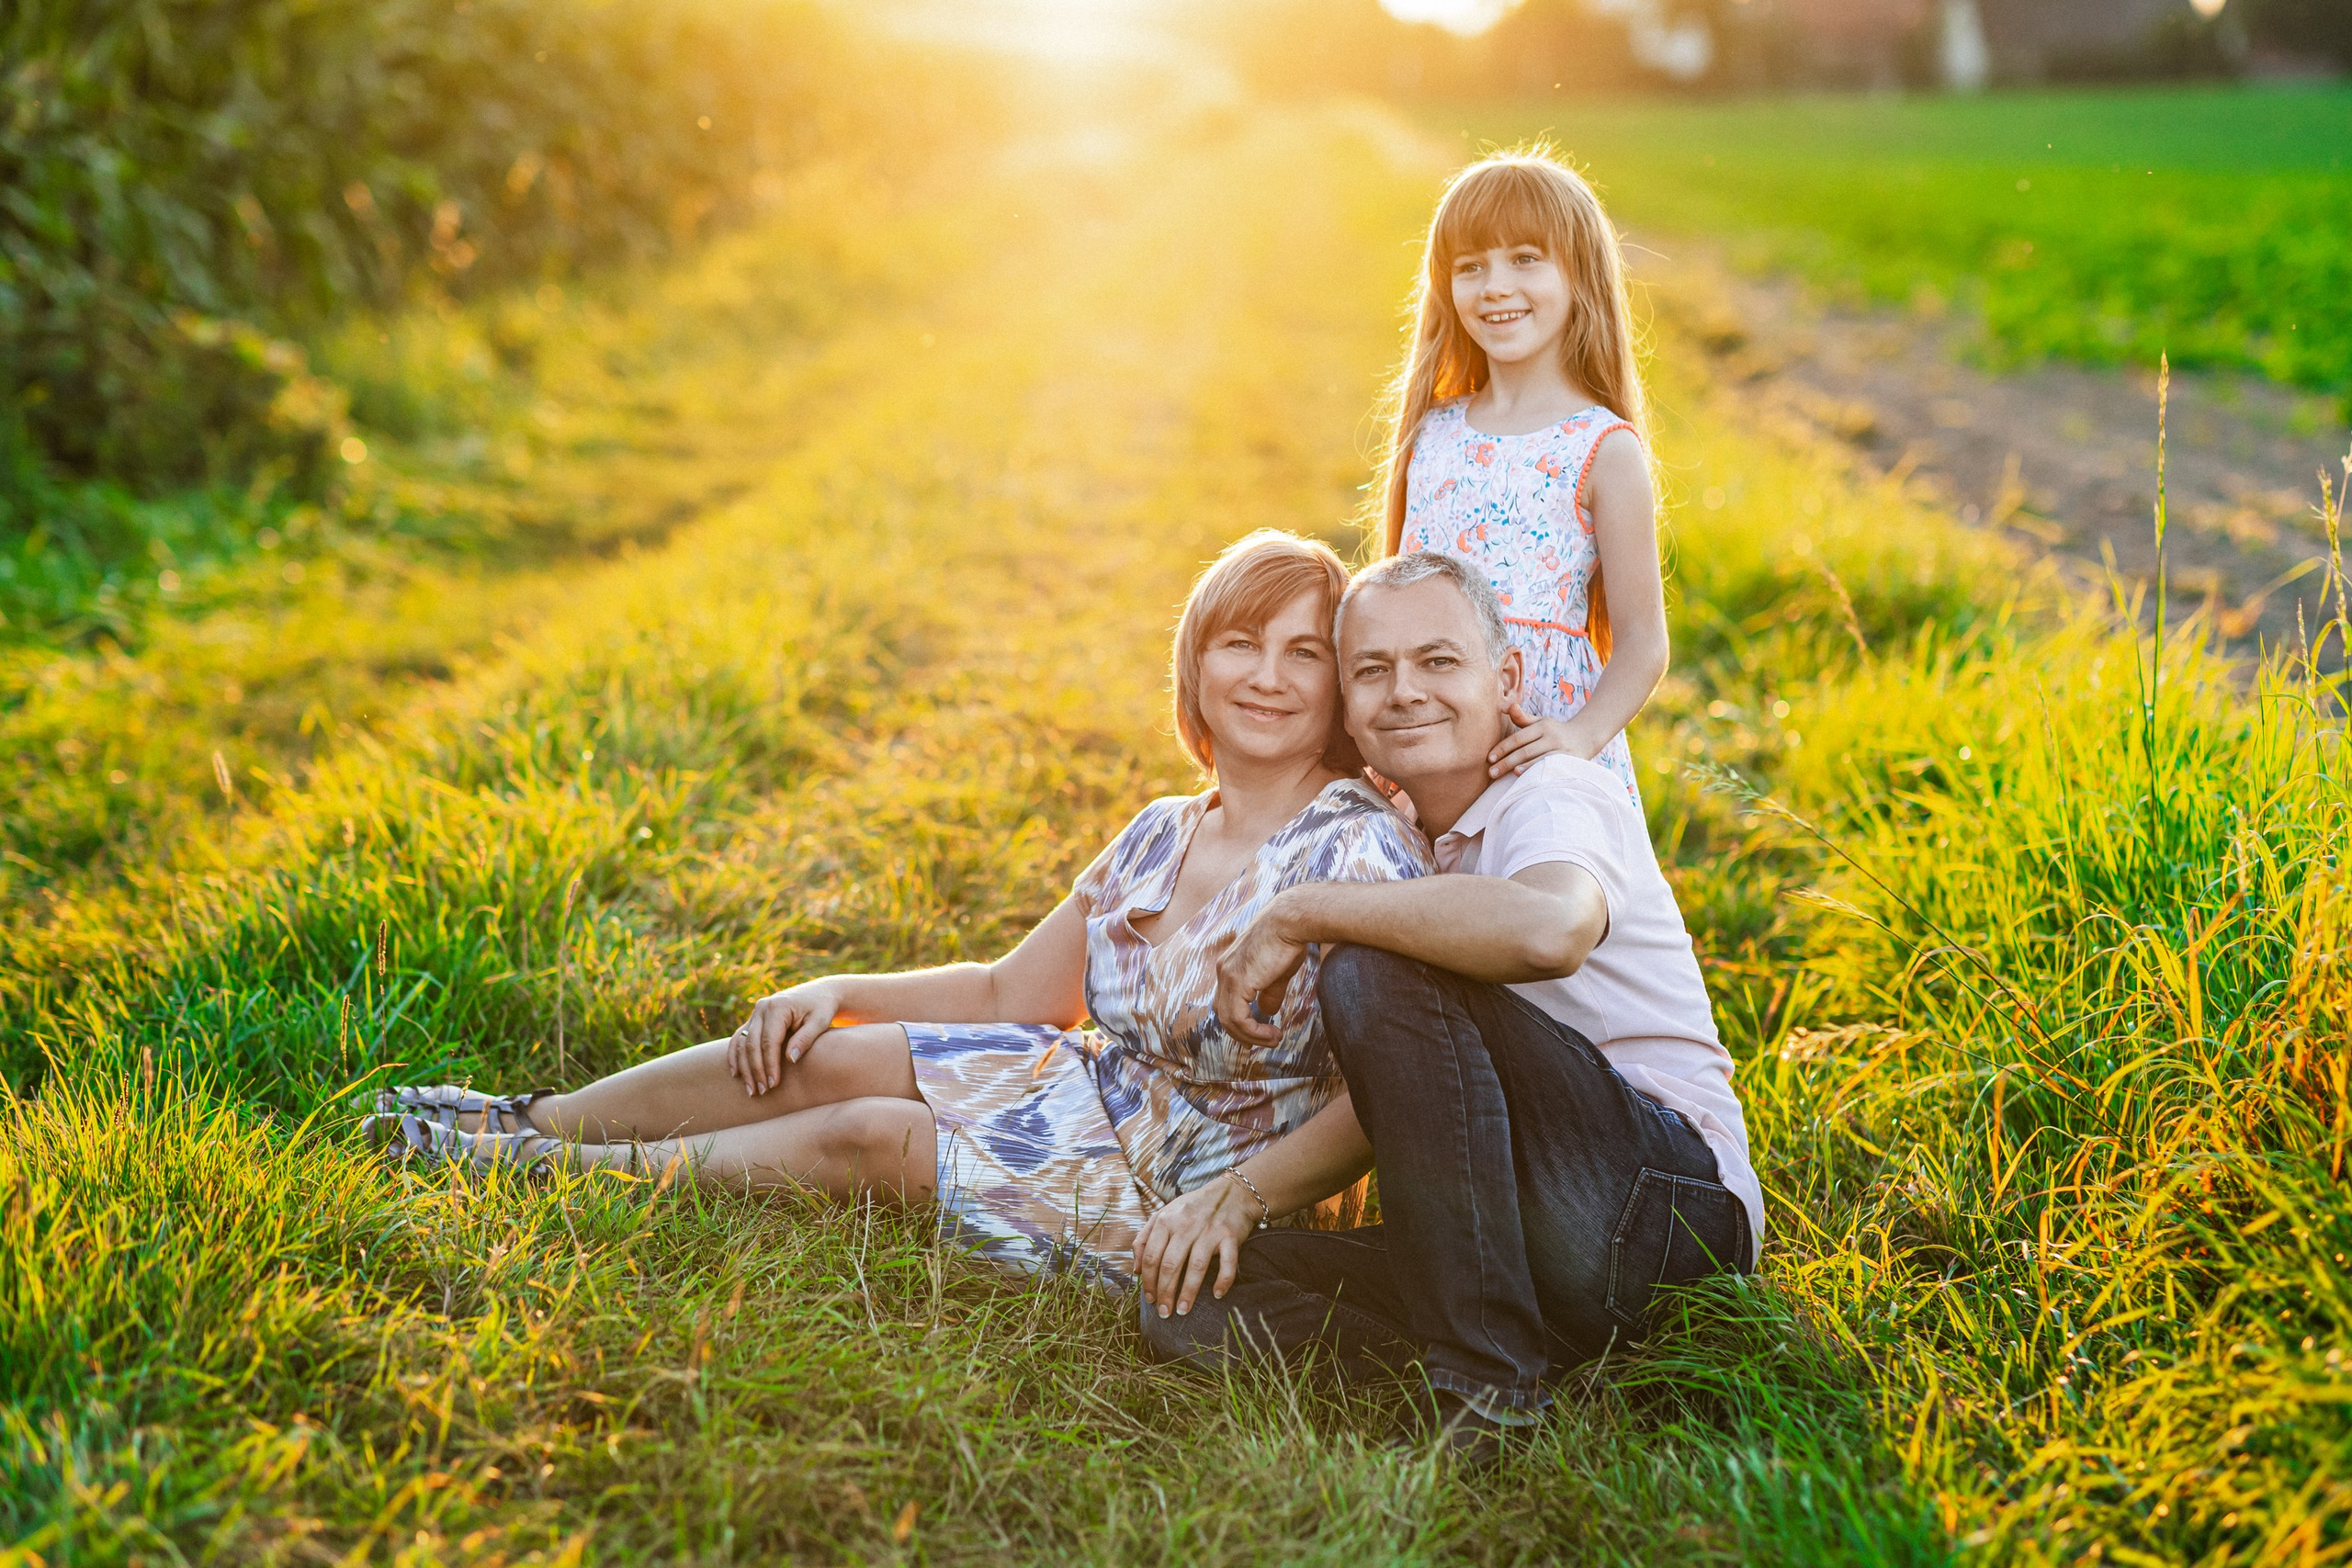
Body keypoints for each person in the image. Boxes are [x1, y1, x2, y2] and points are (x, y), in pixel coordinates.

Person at [365, 532, 1431, 1293]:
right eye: (1241, 644)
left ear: (1338, 689)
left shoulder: (1354, 850)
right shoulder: (1165, 825)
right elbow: (1016, 994)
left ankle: (548, 1170)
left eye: (1305, 654)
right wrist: (835, 993)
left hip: (1193, 1181)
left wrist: (1241, 1199)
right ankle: (528, 1112)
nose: (1269, 678)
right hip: (1091, 1088)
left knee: (875, 1137)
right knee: (827, 1057)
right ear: (1195, 665)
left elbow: (1386, 1100)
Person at [1138, 553, 1760, 1461]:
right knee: (1194, 1294)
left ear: (1504, 678)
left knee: (1374, 967)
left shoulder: (1551, 793)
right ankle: (1505, 1362)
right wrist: (1235, 1199)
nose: (1404, 693)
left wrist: (1302, 911)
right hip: (1513, 1238)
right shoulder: (1397, 850)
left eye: (1438, 661)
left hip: (1663, 1213)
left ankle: (1489, 1393)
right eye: (1372, 671)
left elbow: (1552, 927)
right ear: (1348, 708)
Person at [1374, 146, 1668, 803]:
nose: (1495, 286)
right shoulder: (1433, 433)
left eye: (1525, 259)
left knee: (1525, 900)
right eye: (1471, 267)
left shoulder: (1601, 448)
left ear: (1579, 274)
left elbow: (1644, 643)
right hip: (1430, 746)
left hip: (1540, 759)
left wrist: (1578, 736)